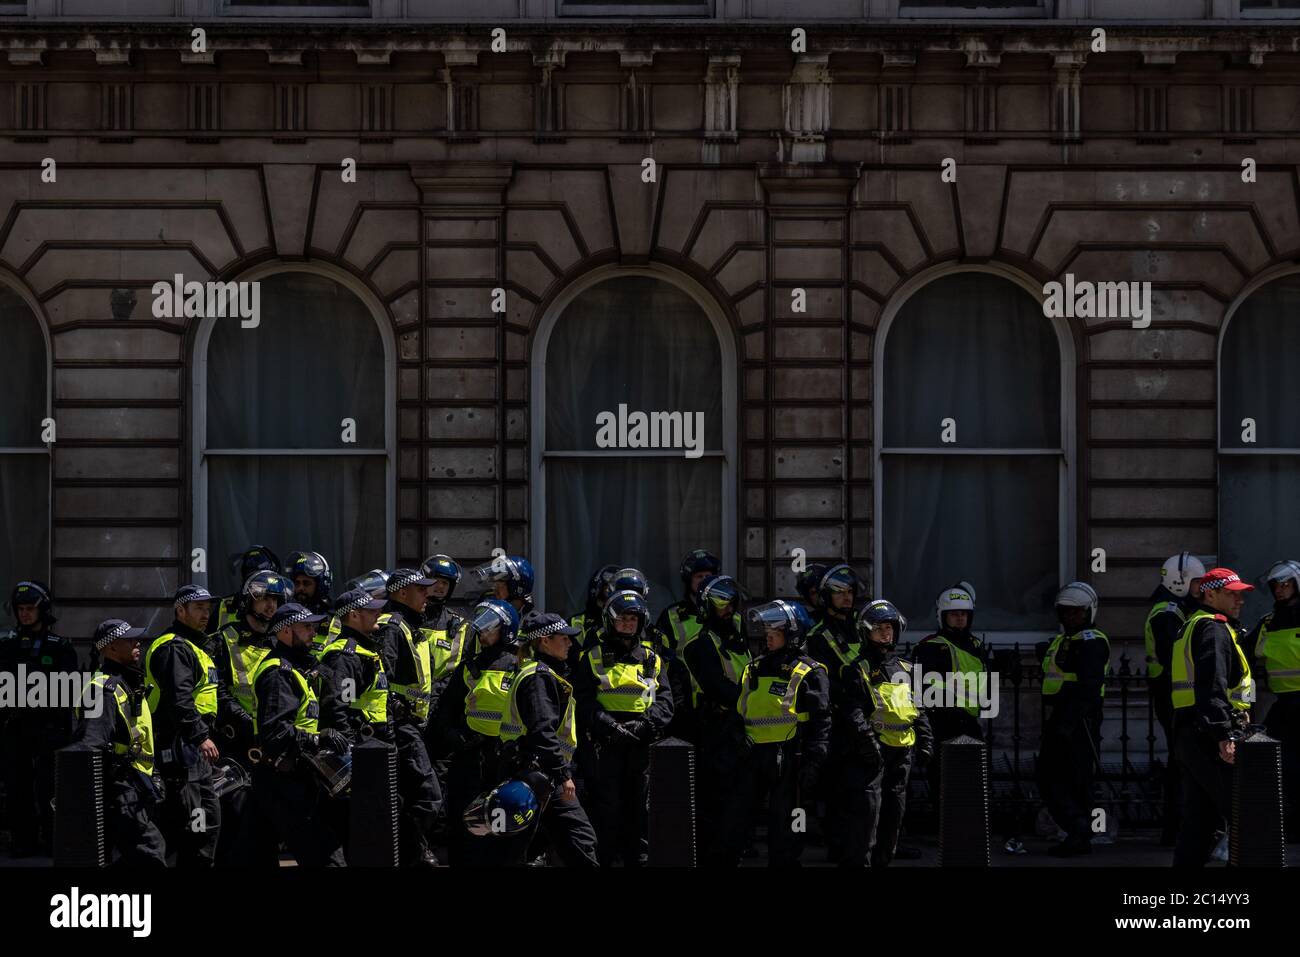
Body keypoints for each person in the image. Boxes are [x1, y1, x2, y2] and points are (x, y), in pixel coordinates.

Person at [719, 599, 830, 867]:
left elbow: (821, 723)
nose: (768, 639)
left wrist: (813, 764)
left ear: (792, 636)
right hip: (752, 756)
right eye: (767, 634)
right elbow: (738, 712)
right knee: (735, 823)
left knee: (788, 828)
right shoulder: (753, 667)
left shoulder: (810, 671)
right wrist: (737, 737)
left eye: (775, 635)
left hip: (791, 757)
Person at [573, 589, 673, 867]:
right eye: (622, 619)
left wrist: (644, 725)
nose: (628, 624)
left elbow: (665, 701)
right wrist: (609, 727)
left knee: (639, 810)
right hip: (605, 745)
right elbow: (582, 700)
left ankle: (638, 861)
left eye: (633, 619)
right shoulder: (591, 656)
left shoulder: (653, 658)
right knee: (606, 809)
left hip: (641, 743)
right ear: (610, 621)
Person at [498, 611, 598, 867]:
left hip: (536, 773)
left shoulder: (539, 673)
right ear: (544, 641)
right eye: (563, 638)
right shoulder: (539, 676)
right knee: (578, 839)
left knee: (529, 847)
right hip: (539, 774)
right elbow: (542, 732)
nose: (570, 643)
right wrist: (563, 775)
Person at [251, 603, 348, 867]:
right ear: (284, 631)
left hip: (297, 778)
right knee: (328, 860)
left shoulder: (298, 669)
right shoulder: (278, 673)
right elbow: (275, 732)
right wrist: (318, 738)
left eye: (314, 626)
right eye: (306, 626)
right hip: (280, 780)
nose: (312, 632)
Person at [1171, 568, 1256, 867]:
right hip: (1211, 737)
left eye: (1241, 594)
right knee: (1248, 816)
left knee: (1199, 821)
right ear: (1211, 593)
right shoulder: (1214, 629)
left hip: (1190, 733)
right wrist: (1224, 735)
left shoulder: (1192, 625)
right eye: (1231, 593)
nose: (1239, 600)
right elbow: (1212, 686)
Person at [431, 598, 522, 866]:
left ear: (505, 631)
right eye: (480, 630)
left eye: (489, 630)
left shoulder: (520, 667)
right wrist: (454, 735)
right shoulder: (470, 666)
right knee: (465, 821)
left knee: (504, 823)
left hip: (506, 758)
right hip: (470, 756)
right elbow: (445, 712)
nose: (482, 635)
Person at [143, 584, 229, 866]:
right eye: (198, 608)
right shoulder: (174, 647)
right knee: (194, 824)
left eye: (208, 608)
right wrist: (200, 735)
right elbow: (178, 700)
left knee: (204, 821)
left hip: (193, 749)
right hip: (181, 747)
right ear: (180, 611)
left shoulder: (196, 646)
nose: (206, 614)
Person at [70, 618, 166, 867]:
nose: (138, 643)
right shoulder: (104, 689)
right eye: (130, 640)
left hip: (135, 787)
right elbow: (89, 745)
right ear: (111, 648)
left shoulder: (128, 683)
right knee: (150, 853)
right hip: (118, 789)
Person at [843, 599, 932, 867]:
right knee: (868, 817)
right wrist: (867, 742)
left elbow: (919, 708)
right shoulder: (856, 669)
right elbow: (854, 711)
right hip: (872, 754)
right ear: (866, 632)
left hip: (902, 753)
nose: (886, 633)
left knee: (894, 817)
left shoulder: (905, 669)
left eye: (890, 628)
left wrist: (926, 739)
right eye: (880, 628)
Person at [0, 580, 76, 856]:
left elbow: (69, 691)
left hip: (49, 729)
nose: (25, 614)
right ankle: (23, 840)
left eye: (30, 608)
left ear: (41, 609)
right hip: (15, 728)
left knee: (49, 789)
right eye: (20, 609)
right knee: (17, 788)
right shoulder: (7, 646)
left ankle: (53, 838)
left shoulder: (59, 648)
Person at [374, 567, 443, 866]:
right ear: (402, 593)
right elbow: (382, 677)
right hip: (400, 726)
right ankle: (412, 852)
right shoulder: (393, 626)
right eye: (421, 590)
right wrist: (395, 709)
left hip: (415, 725)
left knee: (407, 796)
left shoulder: (411, 625)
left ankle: (406, 851)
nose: (428, 594)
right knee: (429, 797)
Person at [680, 574, 750, 860]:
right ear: (708, 607)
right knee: (715, 802)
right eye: (722, 604)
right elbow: (718, 687)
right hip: (715, 731)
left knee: (737, 801)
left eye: (732, 603)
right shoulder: (700, 645)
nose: (729, 610)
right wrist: (752, 701)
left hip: (740, 729)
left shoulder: (736, 640)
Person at [1037, 581, 1109, 857]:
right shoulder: (1065, 640)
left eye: (1076, 612)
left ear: (1089, 612)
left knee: (1072, 778)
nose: (1070, 617)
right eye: (1065, 612)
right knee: (1053, 776)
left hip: (1079, 719)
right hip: (1062, 716)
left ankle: (1079, 832)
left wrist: (1069, 722)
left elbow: (1089, 685)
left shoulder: (1091, 640)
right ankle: (1077, 830)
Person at [1145, 553, 1204, 845]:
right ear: (1179, 582)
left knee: (1182, 760)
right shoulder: (1167, 614)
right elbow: (1174, 657)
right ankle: (1176, 828)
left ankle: (1180, 827)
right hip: (1170, 696)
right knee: (1181, 761)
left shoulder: (1175, 610)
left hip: (1171, 694)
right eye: (1196, 583)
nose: (1200, 589)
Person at [1244, 559, 1300, 839]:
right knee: (1278, 760)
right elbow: (1244, 654)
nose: (1279, 590)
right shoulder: (1268, 622)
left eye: (1285, 584)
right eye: (1276, 585)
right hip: (1285, 703)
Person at [316, 587, 391, 746]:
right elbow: (338, 707)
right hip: (359, 746)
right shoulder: (346, 657)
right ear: (354, 615)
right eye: (371, 611)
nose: (379, 613)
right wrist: (350, 748)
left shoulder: (365, 650)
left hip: (374, 743)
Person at [214, 545, 280, 632]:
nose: (271, 605)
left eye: (274, 599)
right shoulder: (224, 605)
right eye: (264, 598)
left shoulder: (283, 608)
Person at [283, 551, 333, 652]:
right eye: (297, 583)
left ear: (320, 586)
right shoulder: (285, 614)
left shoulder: (334, 615)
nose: (300, 588)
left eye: (306, 583)